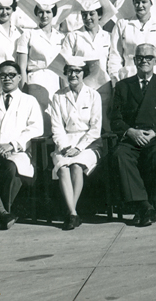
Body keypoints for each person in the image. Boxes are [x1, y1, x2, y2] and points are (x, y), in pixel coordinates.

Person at [110, 44, 156, 227]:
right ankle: (146, 206)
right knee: (120, 155)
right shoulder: (123, 86)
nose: (144, 61)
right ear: (134, 61)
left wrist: (155, 133)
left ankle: (146, 203)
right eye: (140, 58)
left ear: (155, 61)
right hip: (132, 138)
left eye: (149, 57)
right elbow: (115, 120)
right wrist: (130, 132)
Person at [0, 61, 44, 230]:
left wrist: (12, 145)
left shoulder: (29, 101)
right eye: (3, 75)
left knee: (12, 169)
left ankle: (4, 211)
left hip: (18, 151)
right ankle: (2, 212)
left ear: (19, 77)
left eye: (11, 75)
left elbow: (35, 128)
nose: (7, 78)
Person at [48, 55, 103, 230]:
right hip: (65, 142)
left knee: (77, 166)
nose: (73, 75)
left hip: (88, 143)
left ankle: (71, 213)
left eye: (77, 71)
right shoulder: (58, 96)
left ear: (83, 73)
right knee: (63, 168)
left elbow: (95, 128)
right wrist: (65, 147)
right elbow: (56, 126)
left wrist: (78, 148)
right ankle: (73, 213)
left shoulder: (93, 95)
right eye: (70, 71)